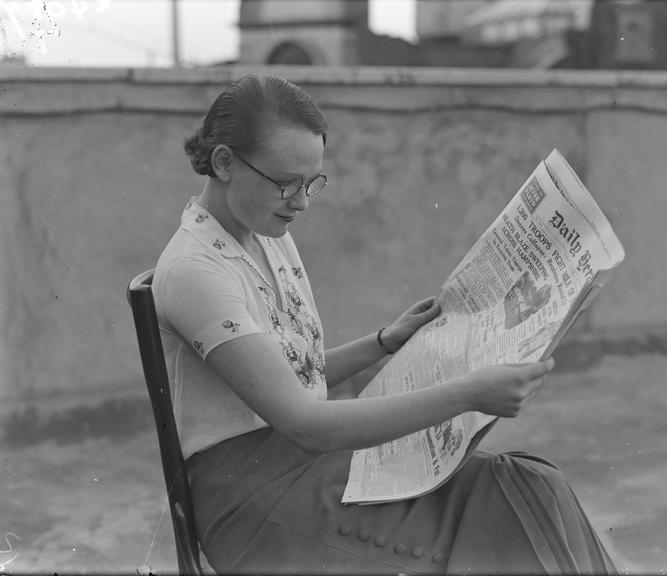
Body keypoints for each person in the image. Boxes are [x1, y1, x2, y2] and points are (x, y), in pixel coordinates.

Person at [153, 73, 616, 574]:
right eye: (286, 182)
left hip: (302, 465)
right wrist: (468, 394)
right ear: (224, 162)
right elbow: (305, 423)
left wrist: (383, 342)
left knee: (528, 485)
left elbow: (287, 376)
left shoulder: (262, 232)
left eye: (312, 183)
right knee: (503, 529)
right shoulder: (196, 271)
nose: (302, 201)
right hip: (254, 503)